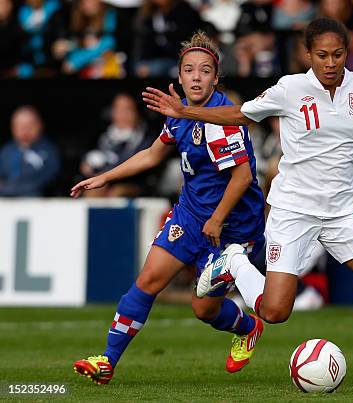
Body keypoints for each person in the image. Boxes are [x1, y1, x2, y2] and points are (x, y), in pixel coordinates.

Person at [143, 18, 353, 392]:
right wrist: (186, 112)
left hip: (342, 213)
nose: (331, 62)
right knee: (274, 312)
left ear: (346, 54)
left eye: (338, 54)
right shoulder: (290, 88)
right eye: (322, 55)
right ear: (308, 55)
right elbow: (242, 114)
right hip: (293, 211)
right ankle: (234, 261)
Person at [71, 31, 266, 385]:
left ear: (216, 77)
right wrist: (105, 177)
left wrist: (218, 219)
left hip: (232, 225)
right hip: (191, 216)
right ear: (179, 76)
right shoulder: (178, 113)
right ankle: (107, 361)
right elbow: (151, 154)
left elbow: (242, 177)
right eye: (189, 70)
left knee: (203, 308)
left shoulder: (219, 121)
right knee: (148, 280)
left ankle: (249, 326)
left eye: (204, 71)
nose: (196, 77)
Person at [80, 93, 153, 197]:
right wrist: (87, 164)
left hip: (131, 183)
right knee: (91, 191)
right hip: (102, 180)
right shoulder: (104, 135)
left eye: (127, 109)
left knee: (116, 193)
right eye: (117, 109)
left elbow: (136, 165)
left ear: (137, 112)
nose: (122, 114)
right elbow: (91, 154)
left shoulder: (144, 138)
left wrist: (105, 175)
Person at [0, 106, 60, 196]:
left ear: (39, 125)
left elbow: (51, 178)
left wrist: (18, 189)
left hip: (36, 199)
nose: (25, 129)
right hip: (6, 197)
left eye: (30, 125)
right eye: (20, 125)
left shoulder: (48, 150)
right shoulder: (7, 150)